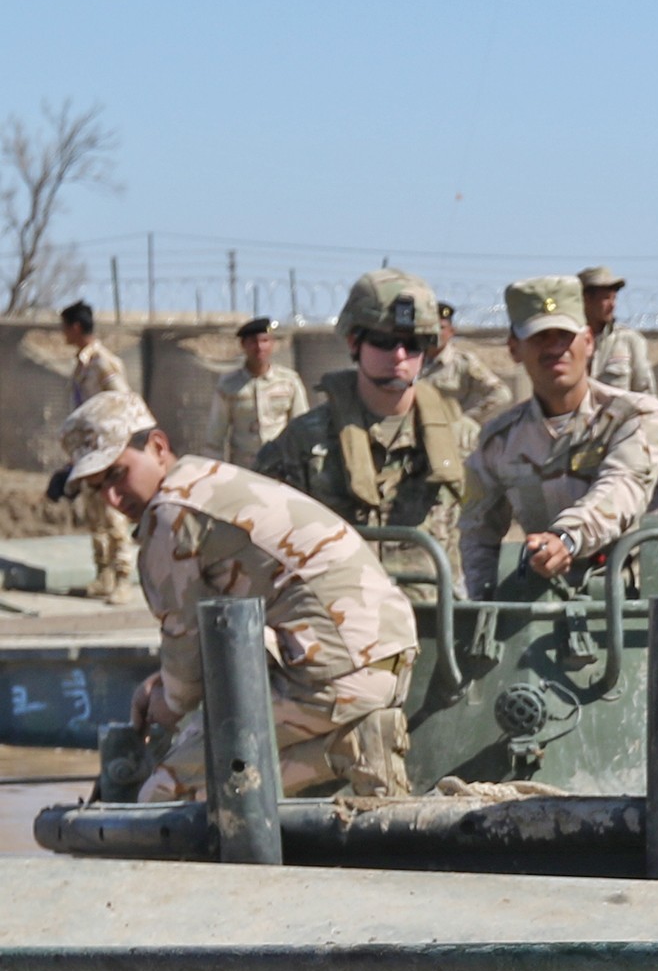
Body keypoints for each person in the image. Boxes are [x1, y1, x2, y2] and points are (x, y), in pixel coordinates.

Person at [53, 393, 416, 801]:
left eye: (118, 475)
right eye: (98, 488)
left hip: (334, 675)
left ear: (157, 446)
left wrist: (165, 702)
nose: (114, 499)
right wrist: (166, 687)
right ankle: (349, 747)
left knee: (162, 793)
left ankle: (348, 750)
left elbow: (183, 667)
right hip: (384, 655)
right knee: (209, 744)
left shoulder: (170, 516)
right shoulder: (209, 480)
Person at [459, 277, 658, 598]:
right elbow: (478, 535)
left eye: (565, 335)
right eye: (540, 337)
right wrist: (484, 607)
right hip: (540, 602)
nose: (555, 347)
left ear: (588, 342)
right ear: (514, 348)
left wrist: (566, 538)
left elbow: (622, 486)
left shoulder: (636, 416)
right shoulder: (498, 440)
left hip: (632, 600)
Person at [259, 272, 471, 577]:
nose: (399, 355)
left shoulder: (463, 441)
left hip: (435, 615)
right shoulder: (305, 441)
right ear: (354, 341)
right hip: (340, 611)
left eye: (413, 344)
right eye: (383, 341)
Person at [57, 301, 135, 601]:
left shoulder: (104, 362)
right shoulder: (82, 365)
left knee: (113, 514)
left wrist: (113, 446)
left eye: (65, 327)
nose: (63, 333)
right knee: (94, 514)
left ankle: (123, 578)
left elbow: (121, 401)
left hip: (107, 450)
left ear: (76, 327)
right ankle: (103, 574)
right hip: (87, 452)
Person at [204, 319, 306, 466]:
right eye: (253, 342)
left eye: (264, 341)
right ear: (243, 345)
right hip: (244, 469)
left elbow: (301, 427)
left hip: (281, 467)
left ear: (272, 344)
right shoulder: (229, 385)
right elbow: (215, 436)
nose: (259, 347)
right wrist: (214, 472)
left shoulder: (289, 382)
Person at [430, 302, 517, 431]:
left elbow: (501, 394)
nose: (436, 333)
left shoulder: (463, 362)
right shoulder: (412, 362)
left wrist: (465, 420)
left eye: (442, 328)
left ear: (451, 331)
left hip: (450, 435)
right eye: (432, 328)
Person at [578, 266, 655, 399]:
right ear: (586, 300)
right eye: (606, 299)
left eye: (614, 298)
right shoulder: (569, 343)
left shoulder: (629, 340)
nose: (613, 305)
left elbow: (645, 394)